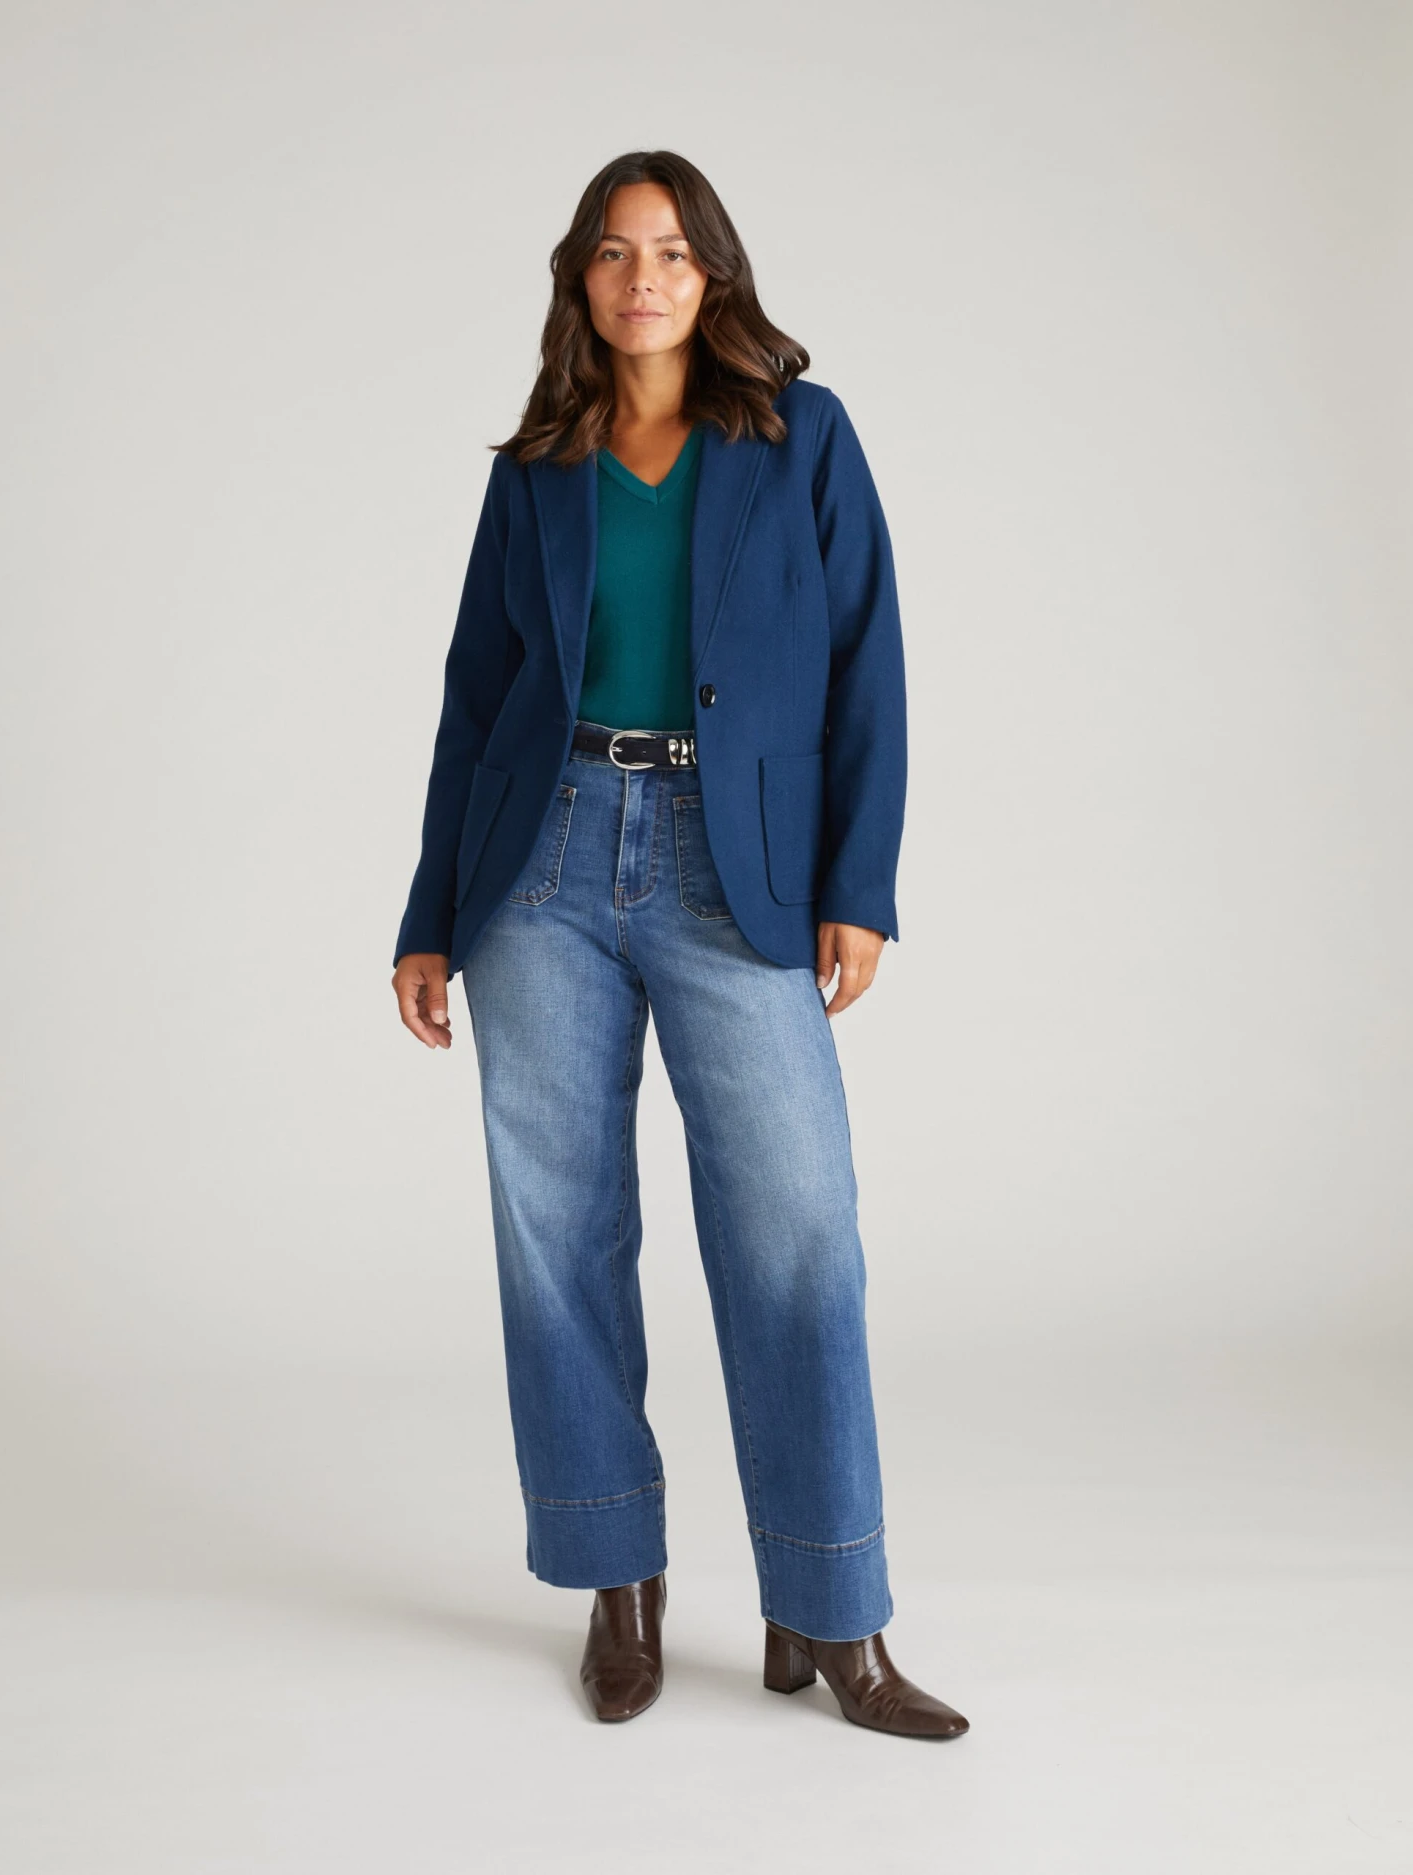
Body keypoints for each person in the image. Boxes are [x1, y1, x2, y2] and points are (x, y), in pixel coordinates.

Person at [390, 149, 968, 1740]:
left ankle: (831, 1611)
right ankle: (617, 1584)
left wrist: (859, 882)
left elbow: (868, 659)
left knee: (797, 1228)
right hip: (545, 863)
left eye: (670, 250)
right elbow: (473, 697)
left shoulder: (800, 434)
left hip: (740, 865)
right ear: (579, 278)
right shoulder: (540, 465)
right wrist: (431, 913)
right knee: (559, 1231)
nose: (641, 276)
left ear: (713, 273)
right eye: (612, 250)